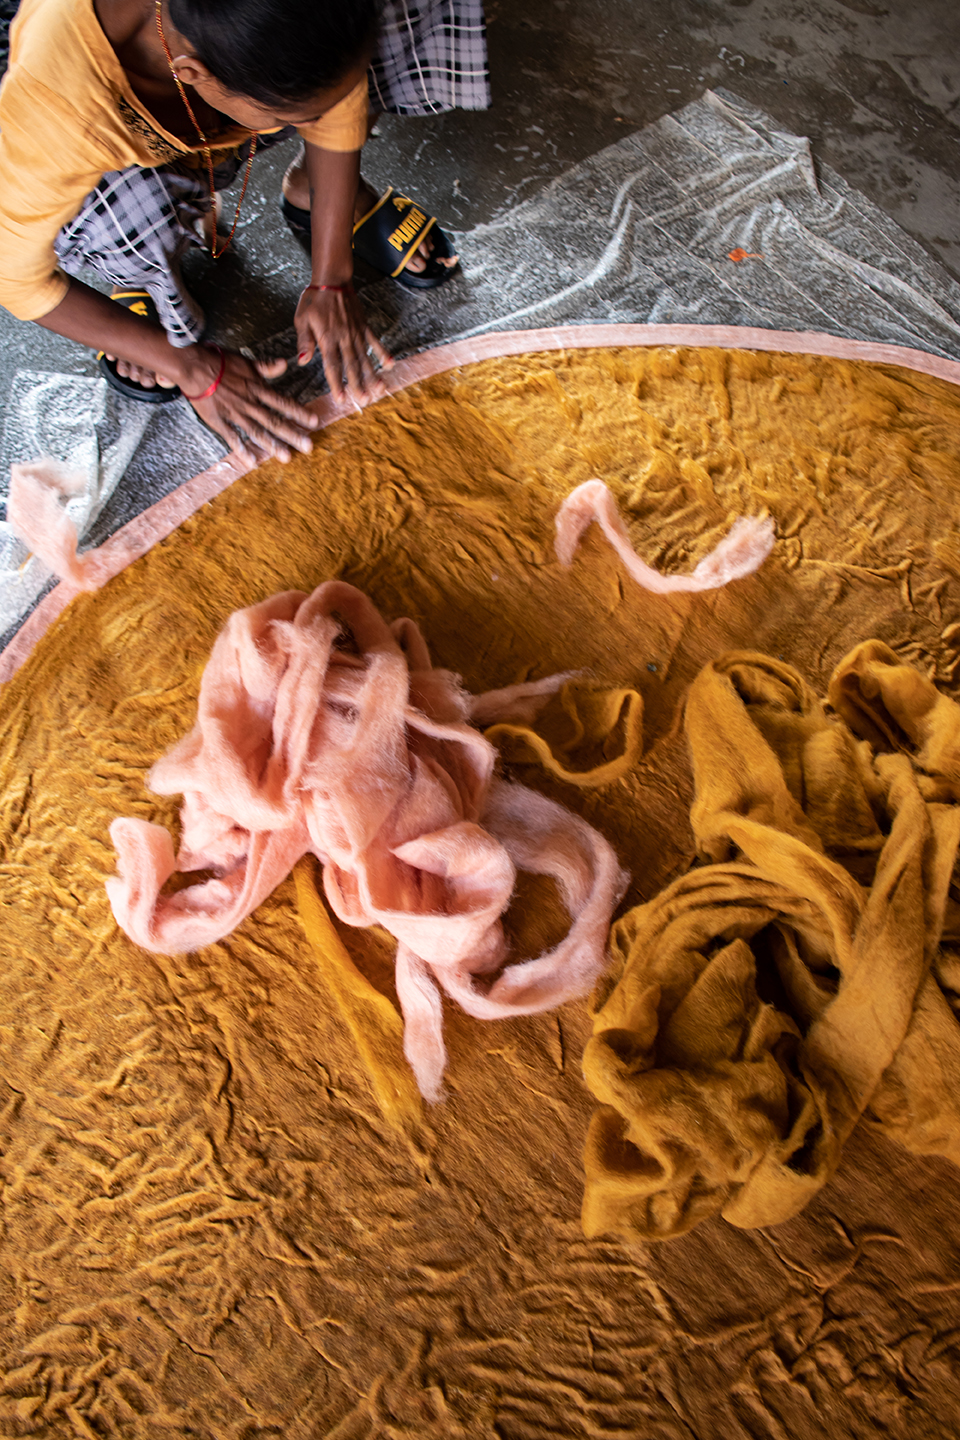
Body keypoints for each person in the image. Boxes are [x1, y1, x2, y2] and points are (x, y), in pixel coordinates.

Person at [0, 0, 489, 461]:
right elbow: (14, 276)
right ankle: (137, 273)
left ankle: (312, 191)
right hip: (85, 151)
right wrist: (190, 367)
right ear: (193, 75)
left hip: (235, 89)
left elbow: (333, 82)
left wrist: (331, 272)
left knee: (398, 16)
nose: (329, 122)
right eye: (299, 119)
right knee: (123, 228)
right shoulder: (58, 105)